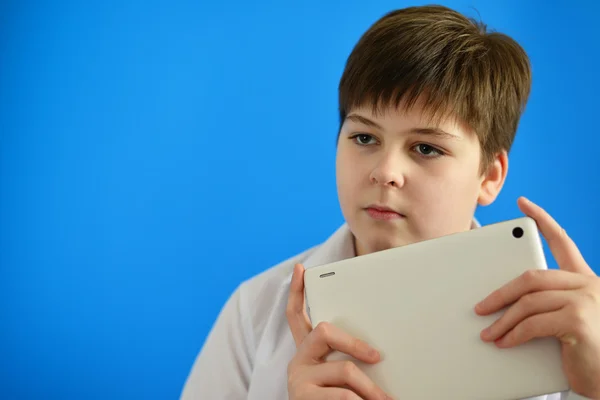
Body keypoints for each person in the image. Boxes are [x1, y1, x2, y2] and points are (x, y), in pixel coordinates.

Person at [180, 5, 600, 400]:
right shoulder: (256, 312)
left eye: (426, 148)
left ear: (489, 176)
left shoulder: (564, 332)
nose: (385, 171)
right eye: (364, 138)